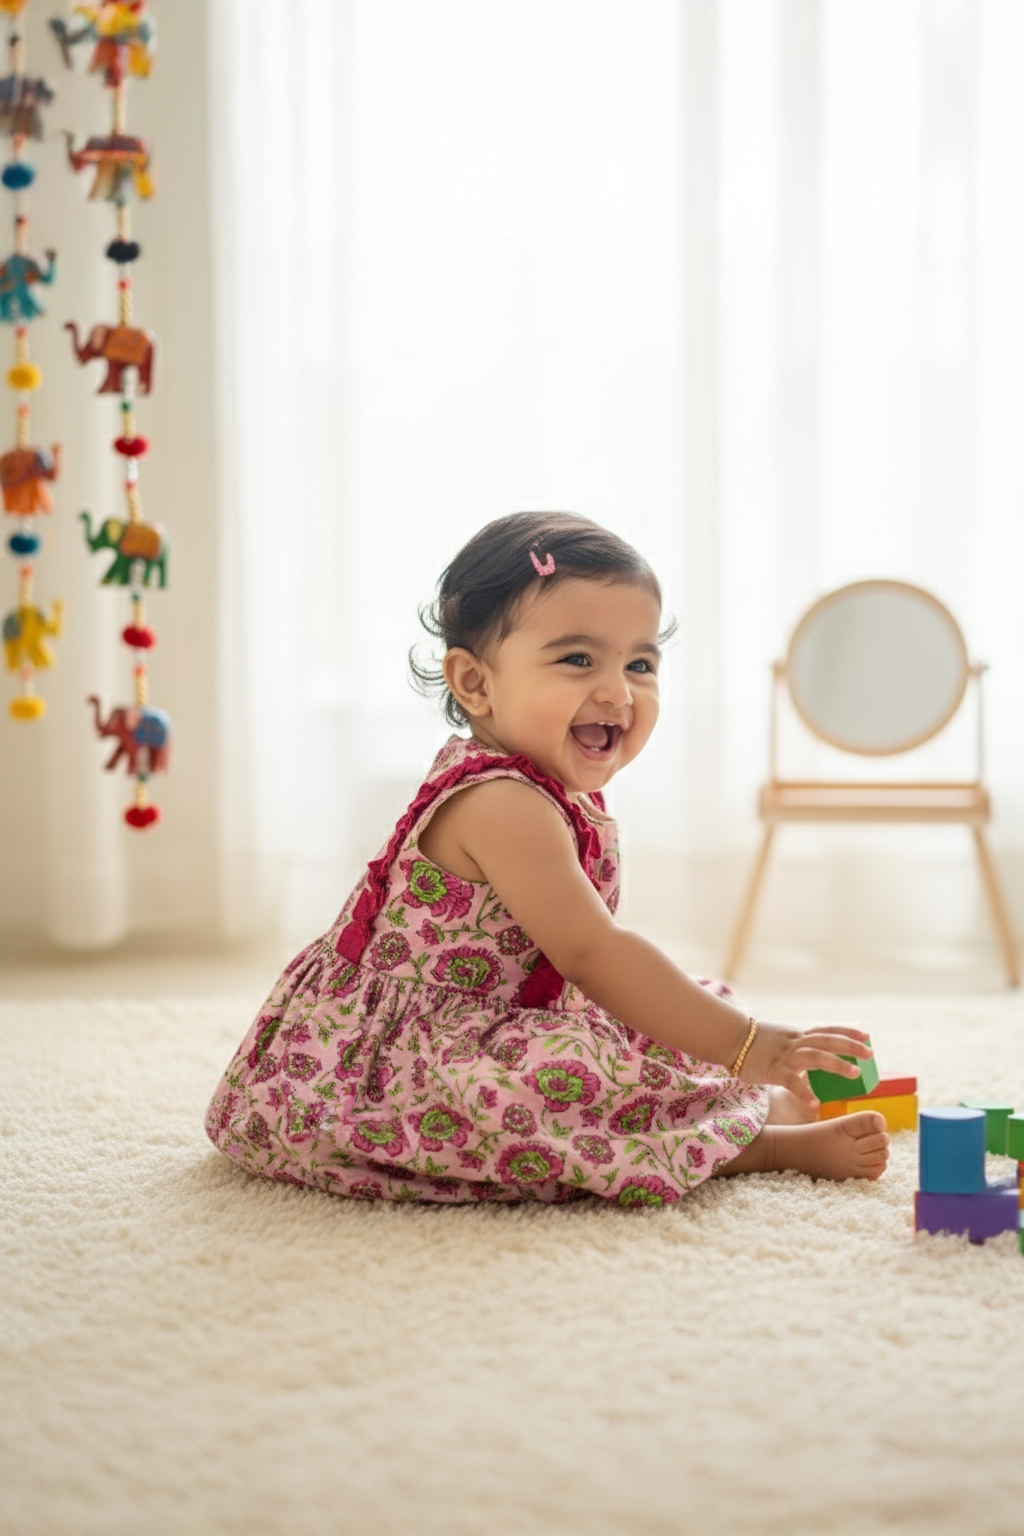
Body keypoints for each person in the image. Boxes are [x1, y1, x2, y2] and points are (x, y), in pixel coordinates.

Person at [205, 511, 889, 1206]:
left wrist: (725, 1035)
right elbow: (594, 953)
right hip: (395, 1066)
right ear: (475, 683)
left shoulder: (545, 787)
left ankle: (734, 1104)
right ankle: (756, 1146)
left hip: (510, 1012)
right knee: (566, 1074)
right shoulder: (503, 803)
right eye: (577, 660)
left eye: (640, 664)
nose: (618, 692)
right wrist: (752, 1046)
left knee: (680, 1007)